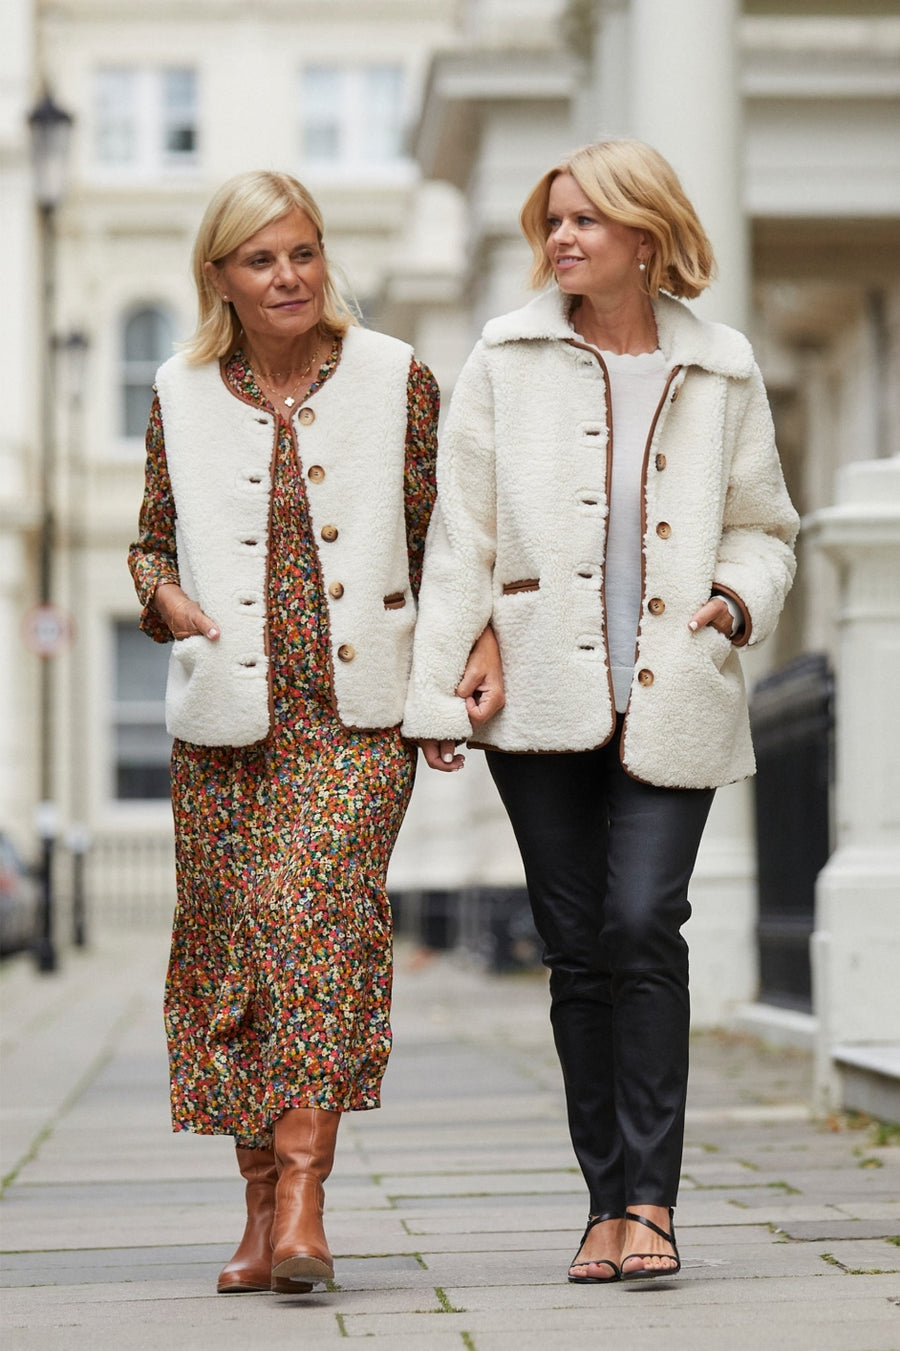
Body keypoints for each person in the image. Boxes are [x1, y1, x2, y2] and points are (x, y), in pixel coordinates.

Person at [402, 139, 799, 1284]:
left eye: (586, 219)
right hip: (538, 695)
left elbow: (765, 524)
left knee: (642, 923)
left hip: (675, 690)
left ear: (646, 234)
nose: (563, 237)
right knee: (577, 952)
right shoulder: (505, 354)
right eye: (555, 220)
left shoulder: (721, 366)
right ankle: (603, 1205)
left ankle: (653, 1198)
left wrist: (734, 599)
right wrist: (445, 680)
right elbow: (463, 533)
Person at [128, 170, 499, 1296]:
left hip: (352, 718)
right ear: (221, 278)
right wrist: (163, 598)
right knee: (233, 949)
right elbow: (150, 540)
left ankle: (304, 1194)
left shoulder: (395, 376)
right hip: (226, 725)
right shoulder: (180, 389)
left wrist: (454, 673)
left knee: (310, 921)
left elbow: (446, 542)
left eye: (303, 251)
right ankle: (258, 1212)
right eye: (261, 259)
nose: (289, 276)